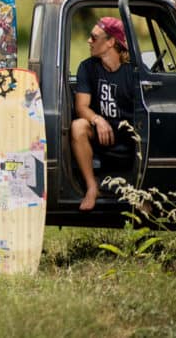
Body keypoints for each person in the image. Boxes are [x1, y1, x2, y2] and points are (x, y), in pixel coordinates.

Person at [71, 16, 135, 211]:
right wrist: (98, 119)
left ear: (110, 42)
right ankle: (92, 187)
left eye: (94, 37)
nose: (89, 41)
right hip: (101, 140)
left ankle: (142, 191)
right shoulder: (87, 67)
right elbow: (81, 107)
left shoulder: (132, 72)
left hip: (130, 143)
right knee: (78, 126)